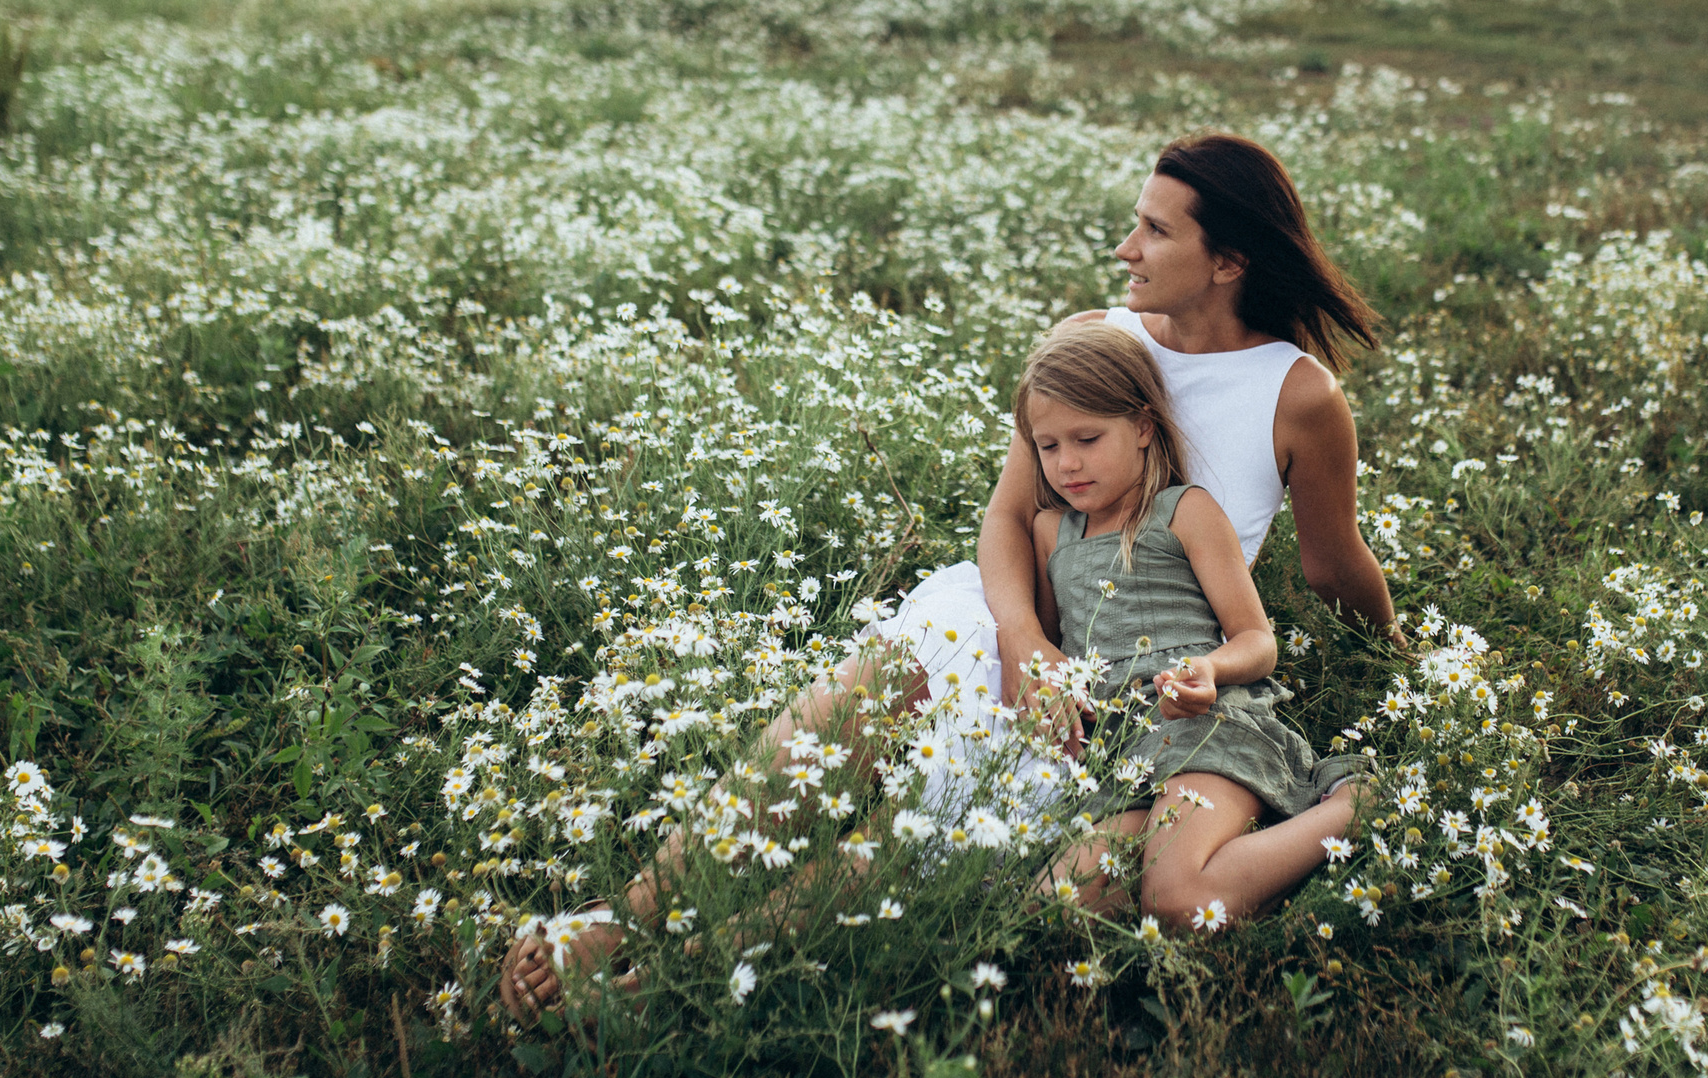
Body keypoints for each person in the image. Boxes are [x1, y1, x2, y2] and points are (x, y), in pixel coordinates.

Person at [500, 132, 1399, 1019]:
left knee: (923, 841)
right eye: (1136, 221)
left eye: (1156, 231)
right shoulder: (1094, 339)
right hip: (1020, 611)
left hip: (1135, 676)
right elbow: (1009, 516)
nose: (1126, 248)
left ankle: (669, 982)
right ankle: (623, 916)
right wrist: (1025, 641)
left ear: (1229, 261)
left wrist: (1397, 652)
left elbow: (1334, 564)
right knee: (860, 697)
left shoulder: (1297, 393)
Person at [1013, 322, 1362, 924]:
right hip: (1118, 753)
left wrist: (1210, 668)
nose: (1067, 463)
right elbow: (1047, 645)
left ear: (1143, 426)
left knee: (1178, 900)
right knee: (1056, 907)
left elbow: (1257, 641)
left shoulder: (1184, 510)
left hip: (1203, 726)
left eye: (1088, 439)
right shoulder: (1050, 533)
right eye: (1047, 447)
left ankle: (1353, 807)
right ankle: (1213, 858)